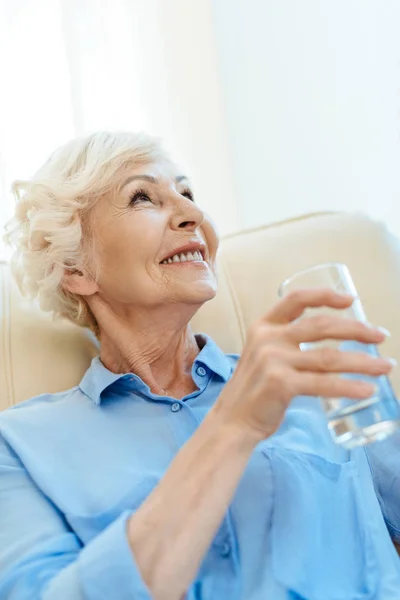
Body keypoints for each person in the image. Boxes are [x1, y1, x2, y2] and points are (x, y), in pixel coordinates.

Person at [1, 130, 400, 600]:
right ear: (76, 269)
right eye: (143, 197)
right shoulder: (20, 447)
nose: (193, 215)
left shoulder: (319, 381)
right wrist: (234, 425)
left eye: (188, 194)